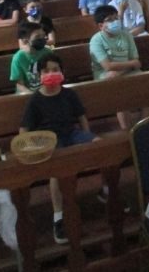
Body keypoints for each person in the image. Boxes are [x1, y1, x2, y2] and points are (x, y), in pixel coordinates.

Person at [19, 52, 97, 244]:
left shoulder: (69, 94)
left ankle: (106, 191)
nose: (51, 74)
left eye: (55, 70)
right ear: (39, 75)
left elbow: (81, 118)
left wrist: (89, 138)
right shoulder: (36, 100)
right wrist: (31, 147)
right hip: (49, 141)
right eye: (46, 71)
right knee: (57, 169)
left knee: (100, 145)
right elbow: (24, 129)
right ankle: (59, 216)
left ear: (62, 73)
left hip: (71, 134)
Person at [10, 22, 53, 94]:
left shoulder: (48, 52)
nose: (42, 39)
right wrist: (33, 96)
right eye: (37, 37)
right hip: (28, 93)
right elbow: (20, 85)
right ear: (25, 40)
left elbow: (53, 75)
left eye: (43, 36)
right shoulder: (18, 58)